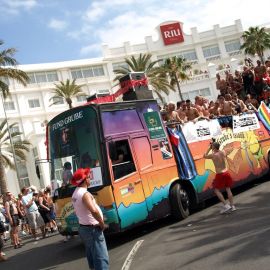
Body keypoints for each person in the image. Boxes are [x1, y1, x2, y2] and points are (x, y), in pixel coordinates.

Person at [71, 168, 109, 270]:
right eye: (88, 177)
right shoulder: (85, 194)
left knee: (92, 257)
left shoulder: (75, 193)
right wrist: (101, 223)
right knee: (101, 259)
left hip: (84, 228)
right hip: (92, 229)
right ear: (85, 180)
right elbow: (94, 211)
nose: (90, 179)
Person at [204, 141, 236, 214]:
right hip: (226, 172)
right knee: (228, 189)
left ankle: (226, 205)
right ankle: (232, 206)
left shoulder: (213, 155)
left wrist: (209, 148)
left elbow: (204, 156)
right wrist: (214, 146)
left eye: (212, 147)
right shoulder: (223, 152)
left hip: (220, 174)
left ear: (213, 148)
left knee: (216, 190)